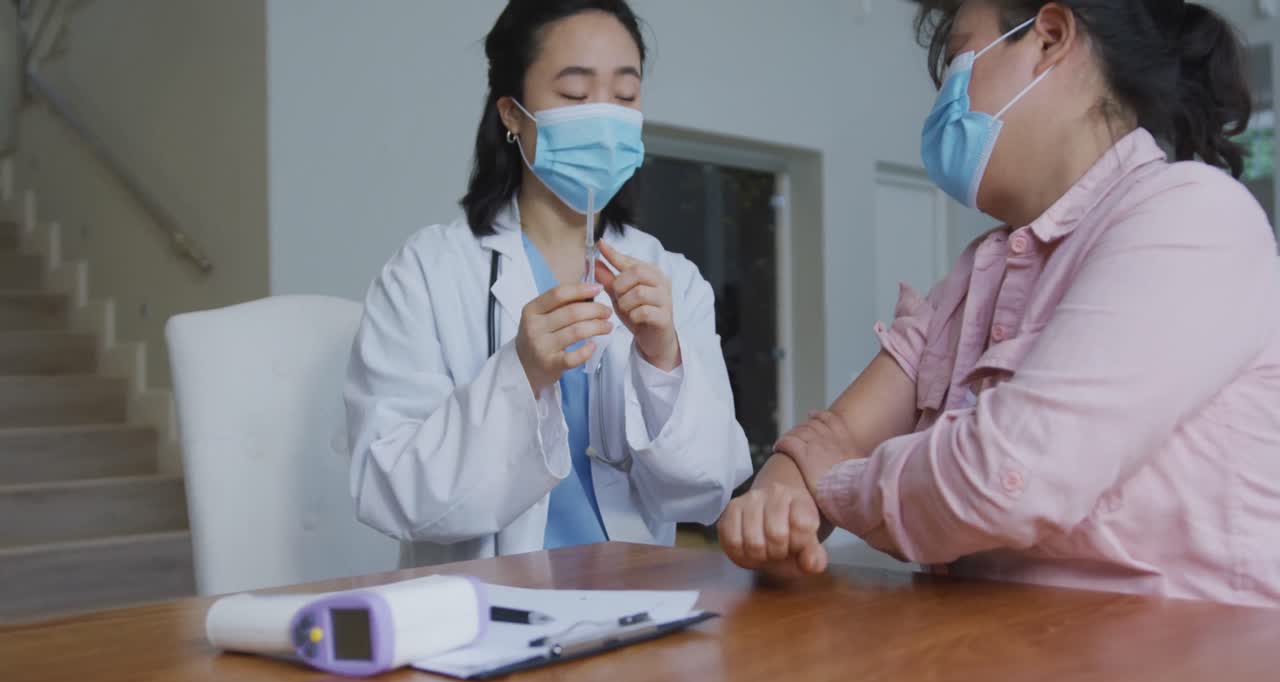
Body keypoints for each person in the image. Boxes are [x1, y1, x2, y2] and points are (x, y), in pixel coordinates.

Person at [719, 0, 1280, 607]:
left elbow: (1009, 477)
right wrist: (781, 494)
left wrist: (833, 484)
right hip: (1009, 664)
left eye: (961, 55)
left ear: (1048, 37)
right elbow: (836, 436)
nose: (943, 104)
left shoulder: (1192, 215)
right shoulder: (977, 273)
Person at [345, 0, 751, 567]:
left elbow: (705, 491)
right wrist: (521, 374)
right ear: (512, 113)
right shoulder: (427, 273)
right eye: (576, 95)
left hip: (634, 602)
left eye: (626, 96)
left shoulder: (673, 280)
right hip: (482, 611)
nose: (604, 118)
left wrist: (664, 359)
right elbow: (392, 492)